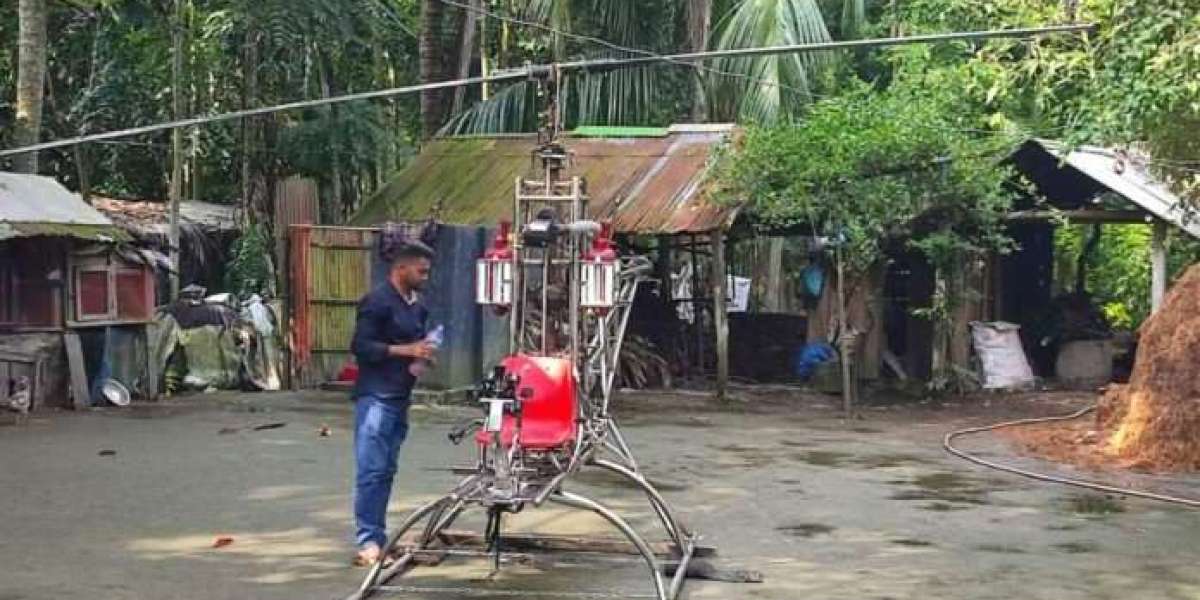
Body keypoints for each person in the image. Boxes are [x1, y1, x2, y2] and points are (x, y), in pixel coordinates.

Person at [349, 241, 436, 566]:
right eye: (420, 270)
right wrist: (405, 351)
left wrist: (423, 356)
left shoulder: (418, 305)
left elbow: (415, 345)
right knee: (371, 471)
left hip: (400, 396)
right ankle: (368, 540)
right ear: (400, 268)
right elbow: (361, 346)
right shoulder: (377, 301)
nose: (425, 276)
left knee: (386, 470)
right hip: (375, 397)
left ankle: (379, 536)